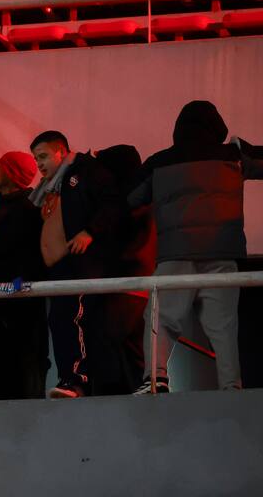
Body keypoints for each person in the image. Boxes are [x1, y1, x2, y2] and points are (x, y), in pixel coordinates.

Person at [128, 100, 263, 394]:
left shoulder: (159, 161)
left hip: (175, 255)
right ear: (217, 127)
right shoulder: (233, 155)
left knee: (162, 319)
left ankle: (155, 380)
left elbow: (130, 198)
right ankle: (231, 386)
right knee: (223, 327)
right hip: (221, 255)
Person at [29, 130, 124, 398]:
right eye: (36, 159)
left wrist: (89, 231)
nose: (40, 164)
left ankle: (75, 379)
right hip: (59, 269)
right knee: (61, 319)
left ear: (61, 151)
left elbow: (113, 204)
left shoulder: (86, 171)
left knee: (70, 317)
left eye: (44, 156)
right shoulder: (53, 186)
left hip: (81, 265)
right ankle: (70, 379)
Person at [0, 152, 49, 400]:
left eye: (0, 166)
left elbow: (32, 260)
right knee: (0, 362)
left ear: (12, 173)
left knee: (19, 362)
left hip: (20, 305)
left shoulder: (31, 213)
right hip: (3, 303)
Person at [92, 145, 154, 395]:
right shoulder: (144, 198)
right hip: (138, 286)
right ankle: (142, 404)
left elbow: (116, 243)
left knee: (106, 346)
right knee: (131, 352)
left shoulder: (126, 202)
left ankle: (110, 405)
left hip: (123, 285)